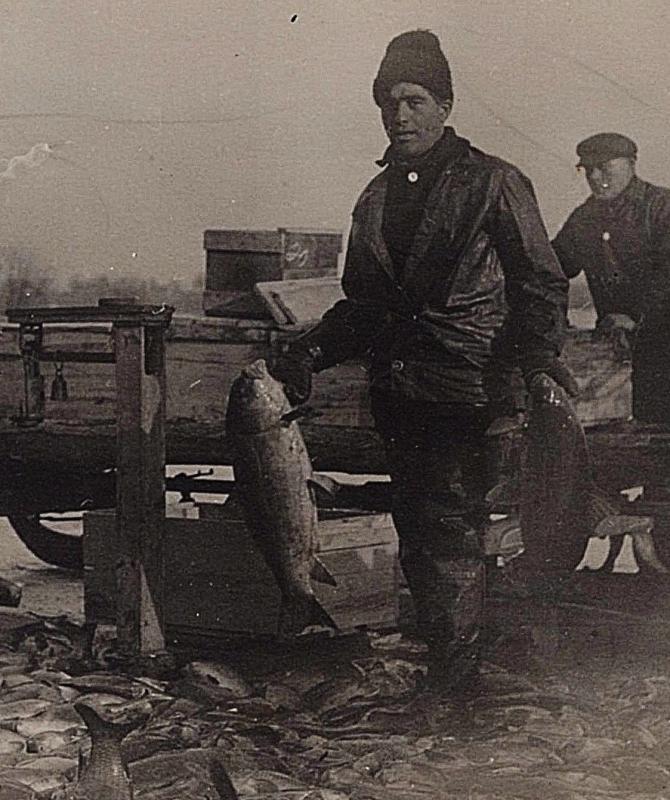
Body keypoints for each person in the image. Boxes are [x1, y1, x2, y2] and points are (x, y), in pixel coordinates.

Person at [271, 29, 574, 691]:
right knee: (425, 537)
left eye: (414, 99)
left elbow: (541, 283)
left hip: (477, 389)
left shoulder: (494, 182)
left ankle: (477, 680)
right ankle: (459, 671)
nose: (399, 115)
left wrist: (527, 370)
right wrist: (309, 351)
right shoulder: (374, 200)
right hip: (405, 396)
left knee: (471, 536)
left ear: (444, 104)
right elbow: (365, 308)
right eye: (388, 101)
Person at [553, 132, 670, 423]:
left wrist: (639, 318)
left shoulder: (661, 208)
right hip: (626, 351)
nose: (594, 176)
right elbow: (552, 268)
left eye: (604, 166)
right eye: (587, 168)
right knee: (644, 429)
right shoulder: (584, 219)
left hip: (661, 337)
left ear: (631, 164)